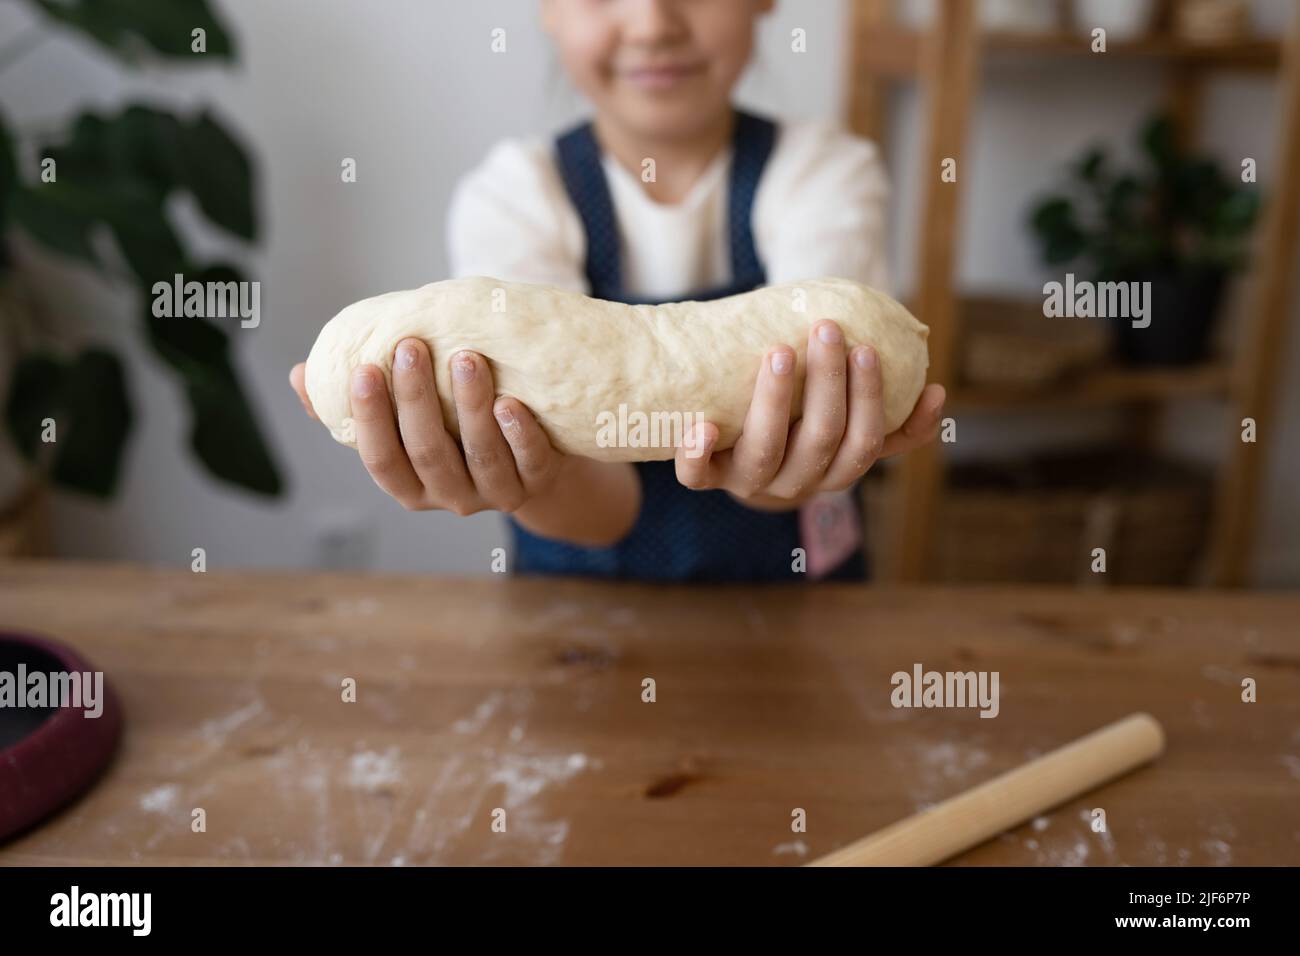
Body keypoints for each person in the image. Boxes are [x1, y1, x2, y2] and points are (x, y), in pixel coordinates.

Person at [290, 0, 946, 582]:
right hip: (576, 625)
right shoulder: (515, 197)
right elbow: (600, 513)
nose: (654, 22)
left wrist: (781, 474)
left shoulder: (825, 174)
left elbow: (826, 381)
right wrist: (532, 476)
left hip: (798, 608)